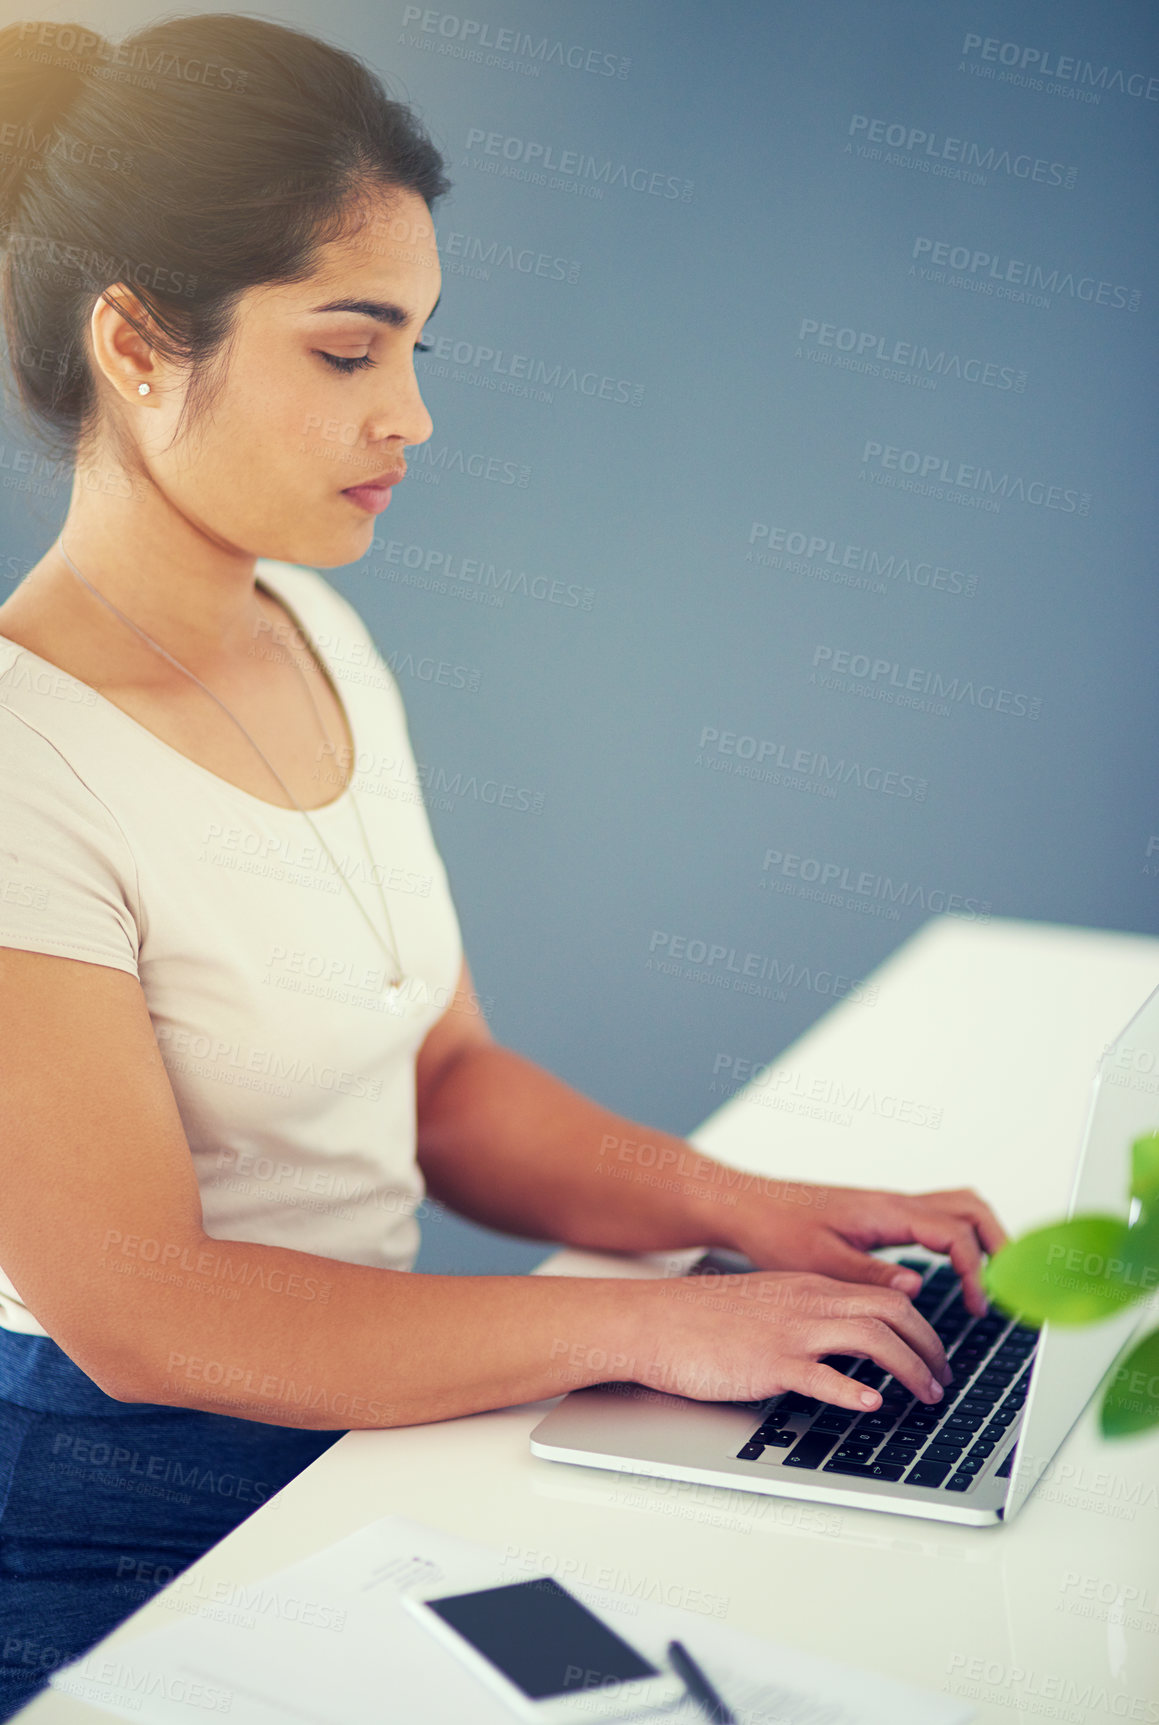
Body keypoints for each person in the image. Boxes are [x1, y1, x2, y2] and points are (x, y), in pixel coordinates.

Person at [0, 12, 1006, 1716]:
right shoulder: (22, 755)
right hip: (118, 1502)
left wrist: (742, 1215)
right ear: (139, 344)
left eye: (421, 350)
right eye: (347, 351)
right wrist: (647, 1327)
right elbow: (144, 1313)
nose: (412, 416)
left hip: (352, 1427)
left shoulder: (314, 636)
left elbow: (447, 1083)